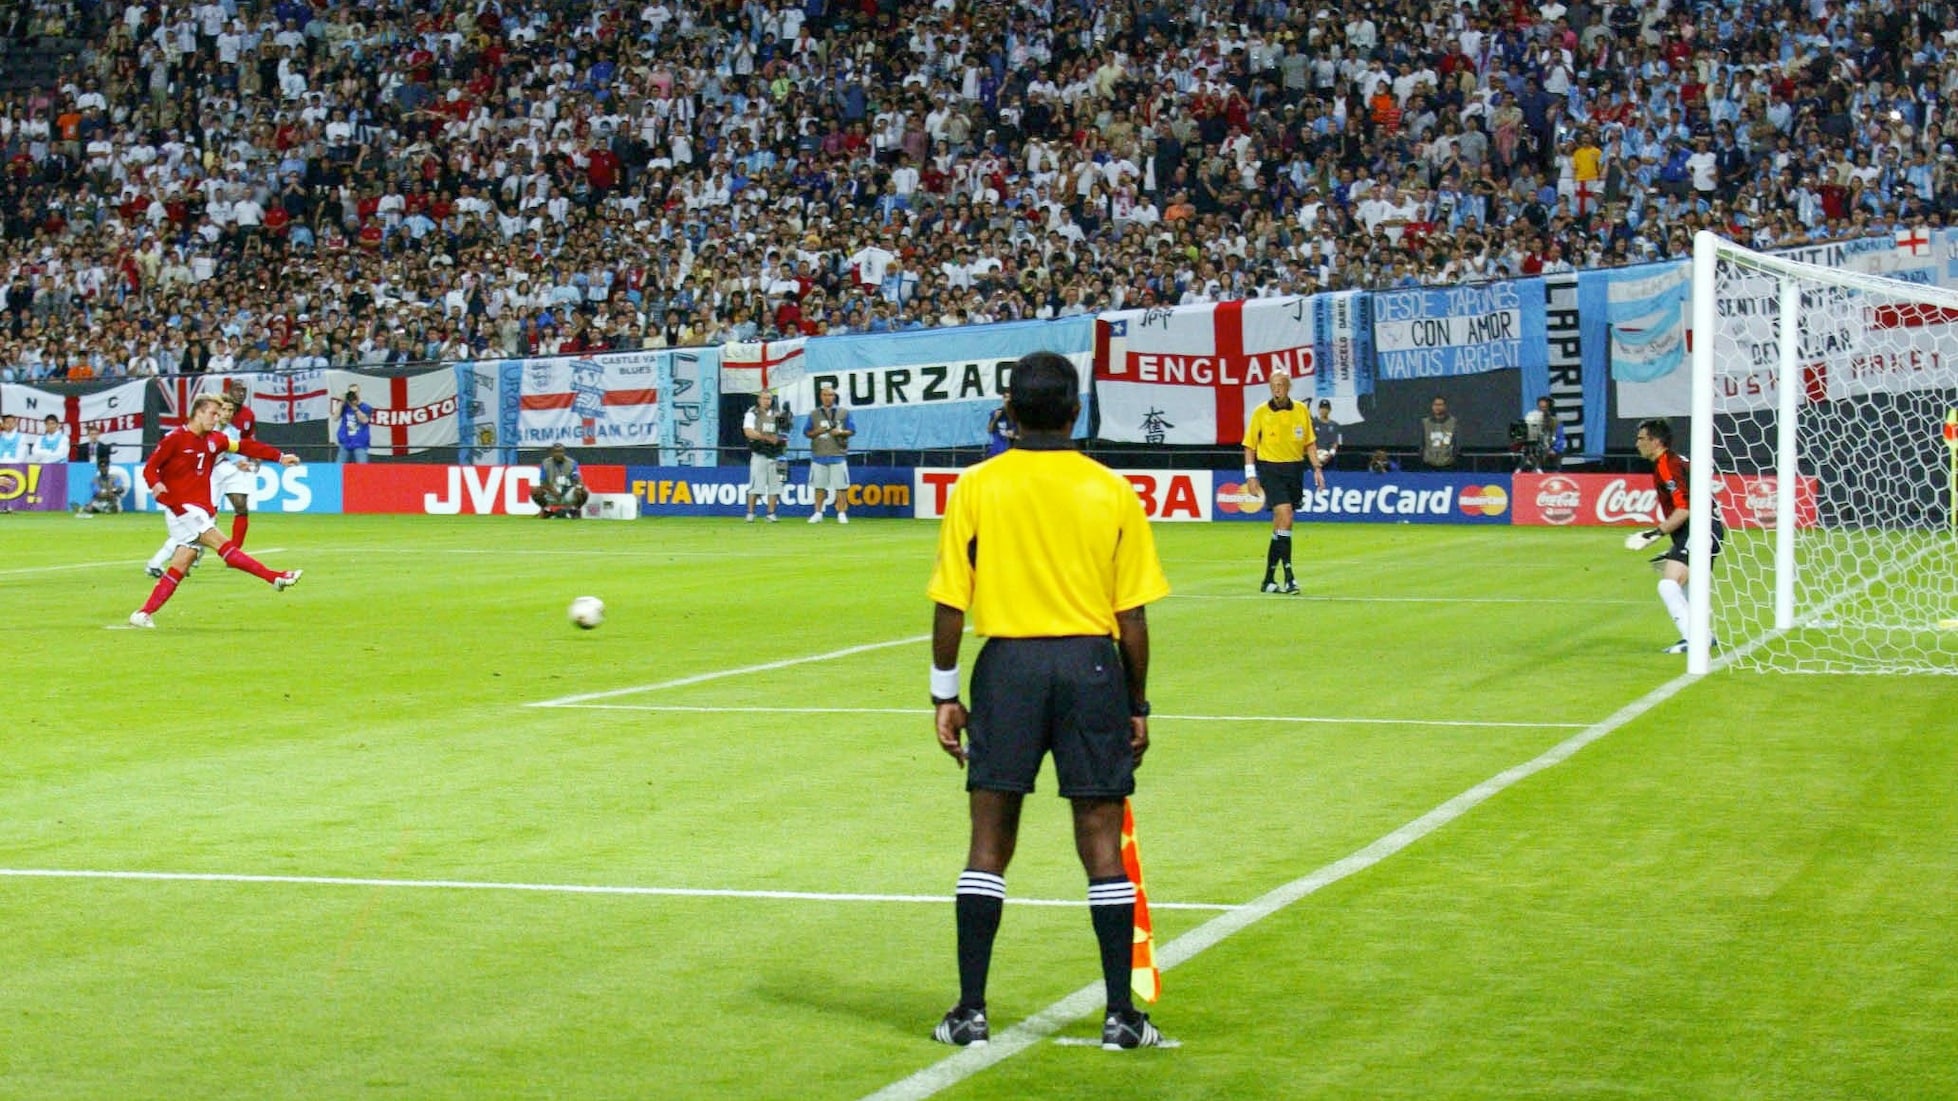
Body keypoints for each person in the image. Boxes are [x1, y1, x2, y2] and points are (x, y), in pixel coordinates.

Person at [925, 350, 1173, 1051]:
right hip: (1091, 666)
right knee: (1100, 837)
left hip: (1006, 667)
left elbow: (950, 601)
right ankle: (1122, 1016)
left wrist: (945, 691)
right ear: (1075, 410)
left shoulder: (975, 486)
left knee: (988, 839)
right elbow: (1133, 616)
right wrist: (1139, 701)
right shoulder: (1110, 490)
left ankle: (970, 1011)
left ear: (1008, 408)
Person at [129, 394, 302, 628]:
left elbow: (244, 446)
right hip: (182, 509)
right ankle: (274, 577)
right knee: (223, 544)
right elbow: (150, 469)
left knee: (183, 561)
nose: (216, 418)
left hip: (199, 508)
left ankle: (143, 613)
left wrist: (279, 457)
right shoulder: (175, 439)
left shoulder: (215, 439)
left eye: (219, 414)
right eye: (212, 413)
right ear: (198, 412)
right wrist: (157, 485)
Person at [1632, 418, 1724, 654]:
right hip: (1702, 528)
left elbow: (1685, 508)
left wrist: (1655, 533)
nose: (1637, 443)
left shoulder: (1666, 465)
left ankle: (1694, 640)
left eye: (1641, 438)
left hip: (1699, 528)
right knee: (1685, 584)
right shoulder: (1673, 461)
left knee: (1669, 584)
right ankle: (1703, 635)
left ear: (1655, 441)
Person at [1242, 371, 1326, 594]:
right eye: (1273, 385)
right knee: (1286, 515)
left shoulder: (1300, 410)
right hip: (1271, 469)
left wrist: (1317, 468)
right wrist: (1250, 475)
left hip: (1295, 469)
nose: (1276, 389)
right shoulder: (1261, 412)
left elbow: (1309, 443)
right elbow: (1249, 446)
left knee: (1281, 525)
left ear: (1288, 386)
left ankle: (1268, 579)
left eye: (1280, 384)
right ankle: (1289, 576)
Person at [804, 382, 854, 523]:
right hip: (819, 454)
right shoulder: (814, 414)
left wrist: (841, 432)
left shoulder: (843, 413)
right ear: (821, 396)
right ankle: (818, 513)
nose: (828, 398)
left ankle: (842, 513)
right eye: (825, 395)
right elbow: (807, 433)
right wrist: (817, 431)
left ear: (834, 397)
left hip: (838, 453)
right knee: (819, 486)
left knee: (841, 486)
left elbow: (852, 430)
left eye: (830, 395)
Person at [742, 390, 791, 522]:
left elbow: (785, 431)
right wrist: (767, 438)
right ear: (759, 399)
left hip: (777, 454)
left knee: (776, 486)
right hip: (760, 452)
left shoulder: (777, 414)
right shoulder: (752, 413)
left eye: (769, 399)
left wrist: (787, 420)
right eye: (764, 398)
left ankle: (771, 513)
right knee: (755, 485)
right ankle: (751, 513)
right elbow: (748, 432)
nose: (767, 401)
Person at [532, 442, 590, 518]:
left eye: (561, 452)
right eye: (556, 452)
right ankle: (547, 510)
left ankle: (575, 511)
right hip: (552, 493)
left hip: (568, 493)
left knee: (583, 491)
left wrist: (579, 487)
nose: (558, 454)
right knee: (535, 491)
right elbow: (543, 482)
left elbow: (577, 478)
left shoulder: (572, 463)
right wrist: (553, 491)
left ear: (564, 452)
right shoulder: (545, 463)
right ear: (552, 453)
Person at [1518, 396, 1566, 472]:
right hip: (1535, 455)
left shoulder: (1555, 422)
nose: (1541, 410)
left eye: (1544, 407)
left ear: (1549, 408)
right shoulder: (1532, 419)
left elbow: (1560, 439)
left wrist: (1555, 450)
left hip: (1551, 457)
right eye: (1540, 407)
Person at [333, 386, 374, 463]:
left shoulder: (365, 407)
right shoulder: (344, 406)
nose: (353, 394)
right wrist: (341, 402)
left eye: (355, 392)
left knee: (362, 469)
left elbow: (364, 421)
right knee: (338, 468)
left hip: (359, 442)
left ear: (358, 393)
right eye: (351, 392)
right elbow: (335, 418)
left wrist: (354, 407)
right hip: (345, 441)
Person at [1421, 397, 1460, 470]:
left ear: (1445, 406)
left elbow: (1456, 442)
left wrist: (1454, 456)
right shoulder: (1425, 423)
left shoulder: (1453, 422)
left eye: (1440, 405)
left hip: (1448, 464)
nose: (1437, 407)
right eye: (1435, 405)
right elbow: (1422, 442)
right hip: (1428, 464)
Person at [984, 387, 1017, 457]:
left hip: (1012, 452)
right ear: (1003, 399)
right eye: (1006, 397)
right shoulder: (997, 413)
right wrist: (995, 418)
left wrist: (1015, 435)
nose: (1008, 400)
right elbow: (989, 430)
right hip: (997, 452)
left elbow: (1024, 435)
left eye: (1010, 397)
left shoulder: (1018, 415)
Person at [1311, 399, 1341, 467]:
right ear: (1319, 409)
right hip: (1315, 458)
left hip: (1330, 459)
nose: (1324, 410)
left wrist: (1329, 455)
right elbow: (1310, 441)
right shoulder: (1313, 424)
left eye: (1326, 408)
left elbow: (1335, 442)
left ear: (1330, 410)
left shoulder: (1334, 425)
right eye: (1322, 408)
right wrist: (1315, 456)